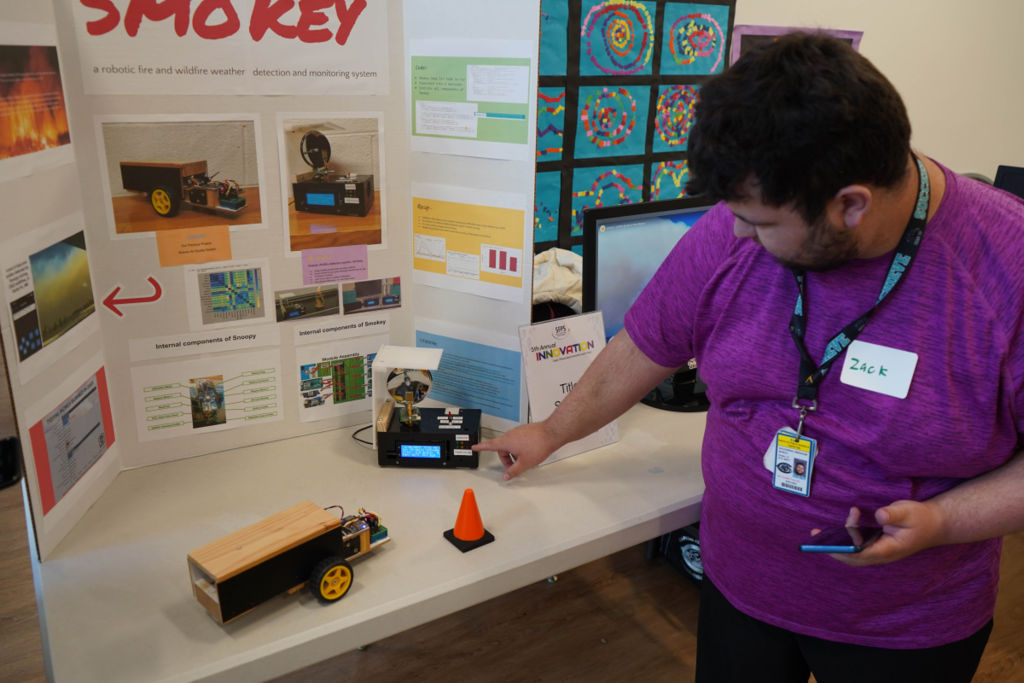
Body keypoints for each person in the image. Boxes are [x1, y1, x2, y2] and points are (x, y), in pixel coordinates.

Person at [474, 33, 1024, 683]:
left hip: (902, 624)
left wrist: (942, 520)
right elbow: (643, 344)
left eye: (761, 223)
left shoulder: (1005, 267)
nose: (735, 233)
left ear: (850, 205)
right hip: (741, 585)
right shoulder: (737, 223)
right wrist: (551, 430)